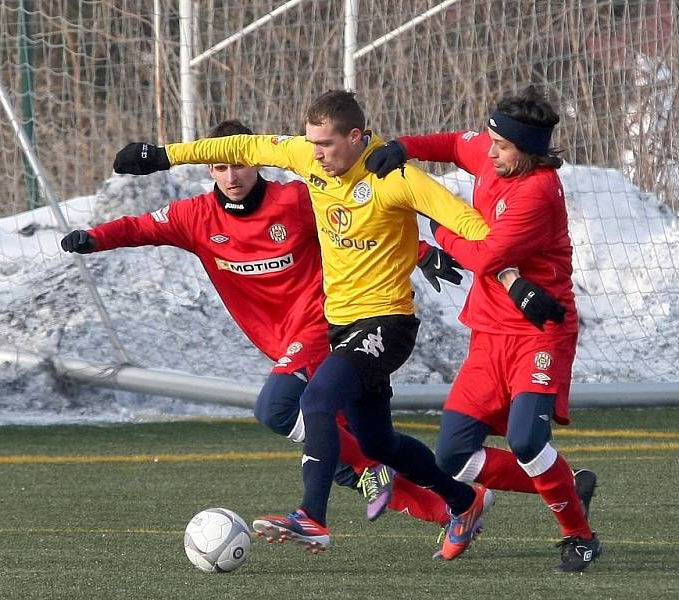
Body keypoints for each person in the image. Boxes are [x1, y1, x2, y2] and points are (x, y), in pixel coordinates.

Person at [110, 91, 505, 561]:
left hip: (387, 321)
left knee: (315, 400)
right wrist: (163, 156)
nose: (314, 153)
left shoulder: (396, 176)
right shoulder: (309, 158)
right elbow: (242, 147)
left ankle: (311, 518)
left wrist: (512, 279)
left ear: (356, 138)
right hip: (342, 323)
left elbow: (469, 223)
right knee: (379, 441)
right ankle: (463, 500)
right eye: (311, 142)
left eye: (326, 143)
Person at [60, 119, 459, 531]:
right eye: (220, 168)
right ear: (209, 171)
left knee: (279, 409)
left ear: (255, 162)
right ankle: (456, 506)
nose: (231, 176)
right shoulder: (195, 217)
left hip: (325, 324)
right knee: (360, 452)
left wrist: (423, 251)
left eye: (239, 165)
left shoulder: (296, 201)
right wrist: (93, 238)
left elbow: (361, 223)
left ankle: (346, 492)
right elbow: (139, 227)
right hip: (282, 341)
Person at [365, 85, 601, 572]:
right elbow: (454, 144)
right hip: (490, 332)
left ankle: (579, 536)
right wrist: (405, 146)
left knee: (527, 442)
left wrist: (438, 228)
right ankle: (567, 484)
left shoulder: (536, 192)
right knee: (453, 456)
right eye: (492, 141)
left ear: (529, 152)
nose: (489, 152)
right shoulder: (494, 153)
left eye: (502, 147)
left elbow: (484, 255)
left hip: (540, 332)